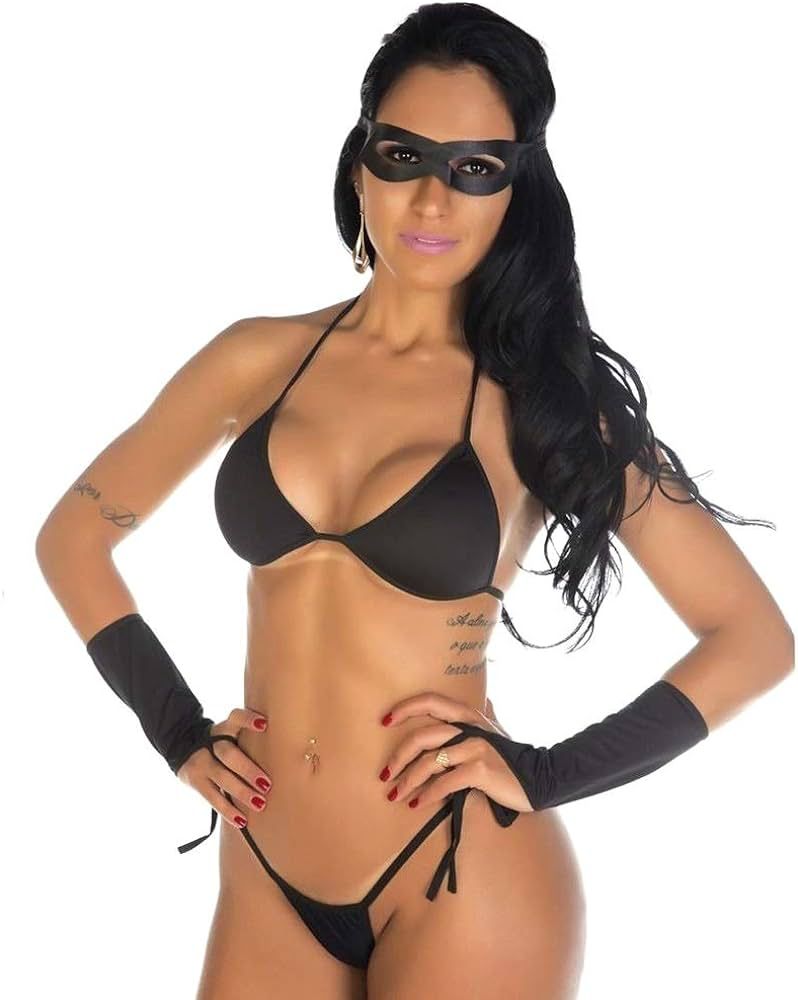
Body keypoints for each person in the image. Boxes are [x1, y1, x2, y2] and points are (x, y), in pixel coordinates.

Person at [35, 5, 794, 998]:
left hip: (456, 865)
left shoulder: (542, 398)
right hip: (264, 861)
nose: (432, 198)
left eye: (475, 167)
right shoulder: (256, 359)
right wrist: (177, 730)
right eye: (404, 155)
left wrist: (549, 772)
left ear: (516, 188)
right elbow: (73, 539)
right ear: (360, 163)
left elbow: (753, 639)